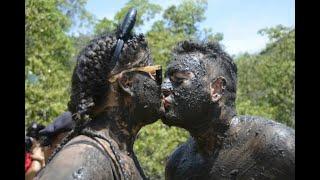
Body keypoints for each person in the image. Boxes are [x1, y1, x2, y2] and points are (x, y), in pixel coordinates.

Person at [36, 8, 163, 180]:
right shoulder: (84, 161)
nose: (162, 84)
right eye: (155, 73)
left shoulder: (118, 151)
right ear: (127, 83)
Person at [161, 40, 295, 180]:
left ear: (216, 89)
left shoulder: (277, 146)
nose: (164, 87)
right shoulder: (177, 164)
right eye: (166, 80)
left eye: (179, 79)